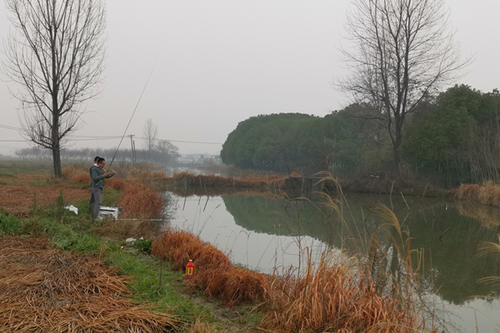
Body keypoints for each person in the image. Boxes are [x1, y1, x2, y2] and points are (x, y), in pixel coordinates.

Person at [89, 157, 115, 221]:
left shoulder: (101, 169)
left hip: (99, 188)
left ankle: (90, 214)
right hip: (96, 188)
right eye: (103, 164)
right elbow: (95, 178)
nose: (104, 165)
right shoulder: (94, 169)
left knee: (93, 202)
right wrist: (103, 175)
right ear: (99, 163)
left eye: (104, 164)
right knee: (98, 202)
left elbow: (106, 176)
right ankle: (94, 218)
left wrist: (112, 174)